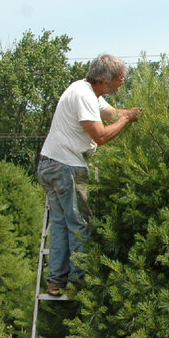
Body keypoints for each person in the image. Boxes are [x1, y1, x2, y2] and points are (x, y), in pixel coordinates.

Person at [37, 53, 141, 296]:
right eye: (120, 78)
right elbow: (101, 136)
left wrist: (133, 114)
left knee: (61, 224)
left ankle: (56, 282)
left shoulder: (87, 92)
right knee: (79, 225)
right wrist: (126, 120)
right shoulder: (84, 96)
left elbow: (112, 114)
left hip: (49, 165)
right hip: (66, 167)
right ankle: (80, 284)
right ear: (106, 79)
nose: (122, 82)